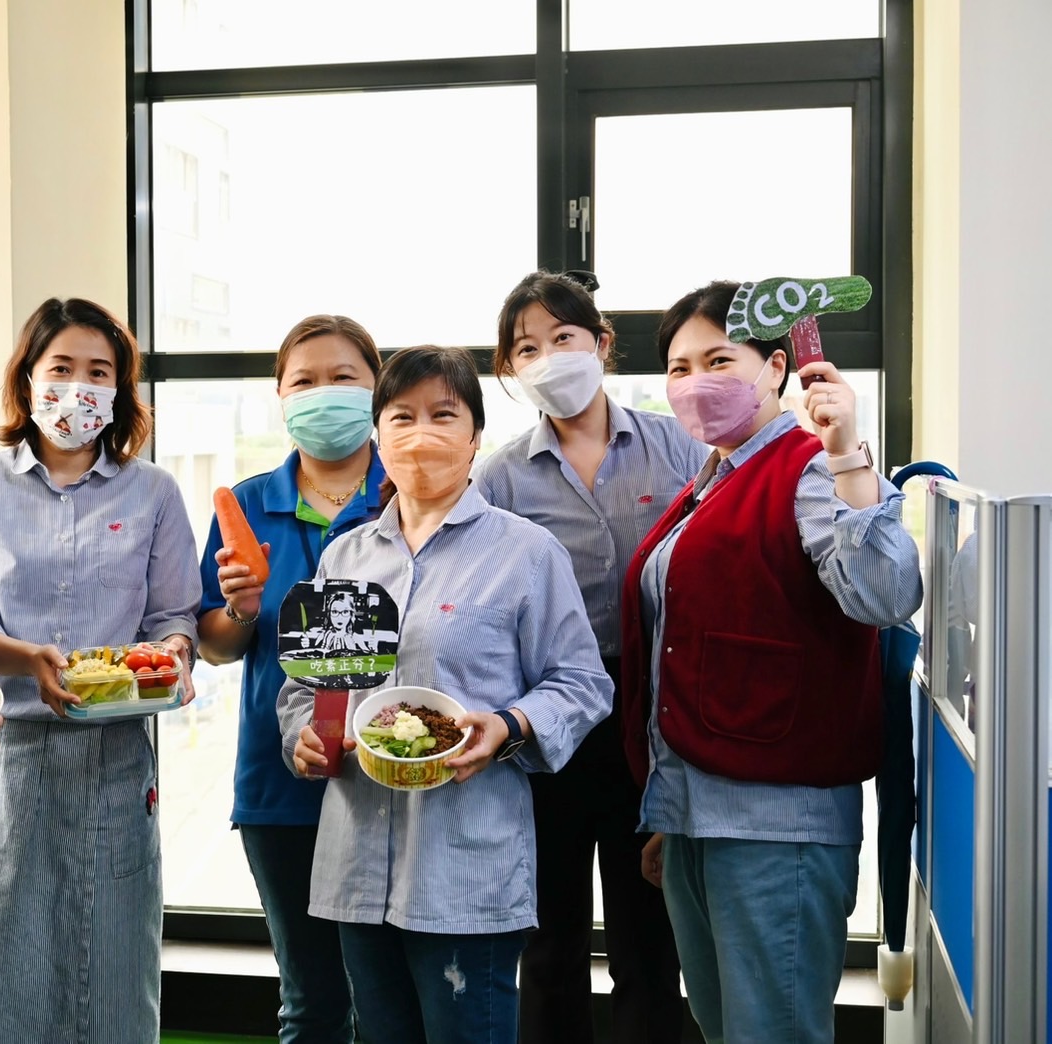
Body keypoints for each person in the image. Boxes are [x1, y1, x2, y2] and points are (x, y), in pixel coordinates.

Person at [280, 345, 612, 1044]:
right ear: (378, 435)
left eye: (443, 414)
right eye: (401, 416)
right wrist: (303, 735)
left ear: (475, 437)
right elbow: (308, 683)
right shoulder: (347, 555)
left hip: (464, 868)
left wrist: (510, 725)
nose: (420, 434)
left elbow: (583, 682)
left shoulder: (525, 552)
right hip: (357, 862)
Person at [623, 281, 923, 1044]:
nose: (696, 382)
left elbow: (886, 594)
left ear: (777, 368)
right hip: (698, 817)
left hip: (777, 823)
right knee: (727, 1027)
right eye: (680, 366)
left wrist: (848, 451)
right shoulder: (713, 481)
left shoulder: (811, 469)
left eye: (719, 359)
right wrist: (673, 813)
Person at [0, 298, 201, 1044]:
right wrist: (29, 661)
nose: (78, 389)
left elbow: (175, 617)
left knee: (112, 973)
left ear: (119, 391)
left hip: (116, 757)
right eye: (61, 369)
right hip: (5, 759)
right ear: (26, 381)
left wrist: (171, 657)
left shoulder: (152, 492)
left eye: (99, 373)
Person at [475, 272, 695, 1044]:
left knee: (649, 940)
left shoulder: (678, 447)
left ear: (601, 345)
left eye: (563, 338)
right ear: (509, 371)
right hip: (549, 726)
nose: (548, 357)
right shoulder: (500, 475)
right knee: (551, 940)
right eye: (526, 348)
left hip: (649, 721)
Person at [197, 314, 384, 1044]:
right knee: (310, 1000)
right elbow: (214, 646)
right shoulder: (245, 505)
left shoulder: (409, 497)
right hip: (282, 787)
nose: (324, 393)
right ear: (279, 397)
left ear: (376, 388)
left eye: (344, 378)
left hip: (389, 781)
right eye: (304, 381)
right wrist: (242, 608)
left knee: (389, 997)